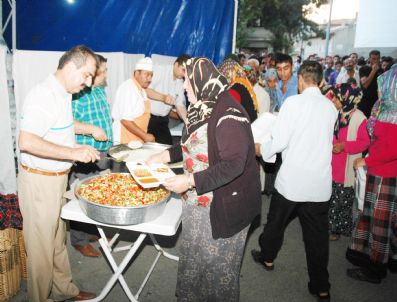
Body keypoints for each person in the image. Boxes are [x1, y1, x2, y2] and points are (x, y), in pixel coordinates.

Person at [147, 57, 261, 301]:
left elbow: (234, 165)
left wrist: (189, 182)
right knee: (195, 259)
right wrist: (164, 155)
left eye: (187, 81)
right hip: (198, 204)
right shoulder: (203, 107)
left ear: (201, 80)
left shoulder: (229, 115)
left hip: (222, 207)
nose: (185, 87)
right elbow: (194, 144)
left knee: (217, 268)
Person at [18, 45, 99, 301]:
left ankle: (66, 290)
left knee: (56, 242)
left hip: (56, 179)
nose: (88, 84)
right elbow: (27, 141)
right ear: (71, 66)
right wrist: (73, 154)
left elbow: (60, 124)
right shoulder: (43, 94)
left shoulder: (63, 93)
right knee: (41, 251)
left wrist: (85, 132)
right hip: (39, 182)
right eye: (86, 75)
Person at [251, 61, 337, 302]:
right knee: (317, 238)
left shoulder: (293, 103)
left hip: (292, 181)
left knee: (275, 224)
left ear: (300, 80)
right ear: (320, 81)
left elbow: (279, 142)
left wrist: (261, 149)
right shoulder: (331, 108)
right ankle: (321, 287)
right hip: (319, 183)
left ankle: (267, 258)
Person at [346, 64, 397, 284]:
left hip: (386, 174)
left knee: (380, 224)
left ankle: (375, 269)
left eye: (381, 86)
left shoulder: (392, 114)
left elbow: (392, 148)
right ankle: (379, 259)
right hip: (380, 172)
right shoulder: (385, 108)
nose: (377, 90)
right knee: (381, 220)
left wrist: (366, 160)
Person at [69, 54, 113, 257]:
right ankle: (79, 240)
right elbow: (68, 125)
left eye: (104, 70)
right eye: (101, 71)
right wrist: (91, 129)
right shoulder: (77, 94)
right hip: (85, 153)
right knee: (82, 196)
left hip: (102, 151)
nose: (104, 75)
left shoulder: (99, 92)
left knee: (98, 192)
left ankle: (90, 230)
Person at [321, 83, 370, 241]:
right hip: (334, 164)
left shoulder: (359, 118)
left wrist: (344, 146)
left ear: (346, 97)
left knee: (342, 200)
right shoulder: (339, 113)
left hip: (346, 167)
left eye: (337, 97)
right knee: (332, 197)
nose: (333, 99)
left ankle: (336, 229)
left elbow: (365, 142)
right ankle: (331, 226)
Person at [147, 54, 191, 145]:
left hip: (163, 120)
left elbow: (180, 106)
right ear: (176, 65)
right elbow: (146, 90)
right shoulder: (160, 70)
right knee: (147, 151)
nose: (184, 74)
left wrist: (189, 123)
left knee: (168, 149)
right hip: (148, 118)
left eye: (186, 72)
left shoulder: (180, 82)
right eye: (183, 70)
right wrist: (163, 98)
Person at [111, 57, 155, 144]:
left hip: (135, 141)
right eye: (146, 74)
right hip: (124, 141)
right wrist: (145, 136)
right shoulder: (128, 88)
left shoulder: (141, 90)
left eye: (151, 75)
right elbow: (125, 120)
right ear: (137, 73)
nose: (150, 79)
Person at [219, 58, 259, 122]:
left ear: (229, 74)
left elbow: (225, 112)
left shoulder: (234, 89)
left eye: (223, 73)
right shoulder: (242, 83)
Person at [359, 50, 383, 118]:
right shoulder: (363, 69)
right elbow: (365, 85)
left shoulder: (381, 70)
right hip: (365, 101)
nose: (376, 60)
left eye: (378, 58)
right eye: (373, 58)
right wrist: (373, 71)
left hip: (376, 102)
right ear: (369, 59)